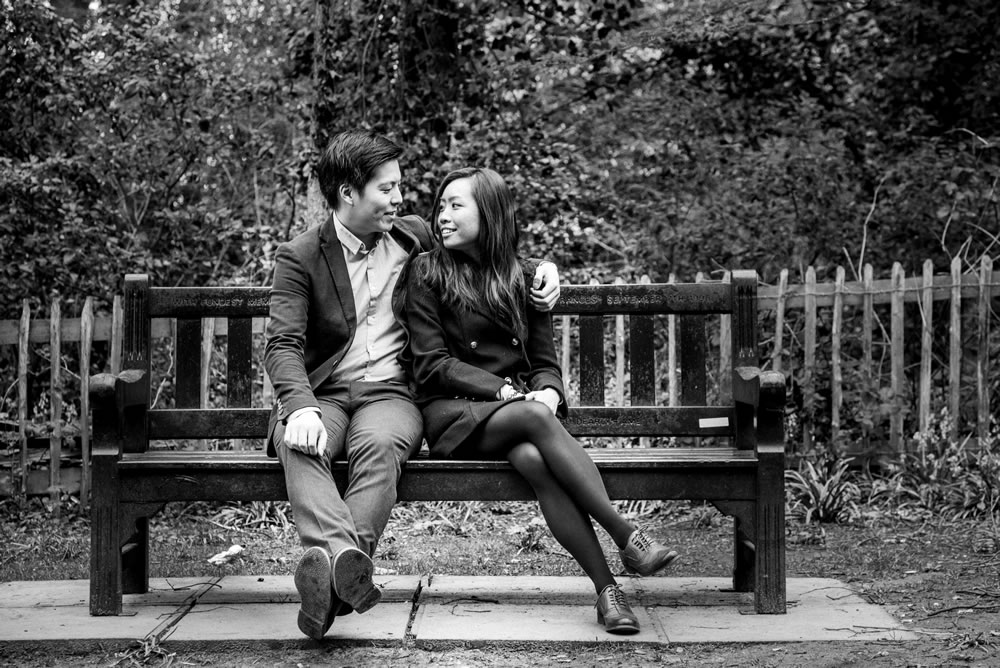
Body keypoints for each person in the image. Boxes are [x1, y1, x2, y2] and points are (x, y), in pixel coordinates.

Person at [263, 132, 561, 641]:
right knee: (301, 442)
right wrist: (300, 406)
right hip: (323, 394)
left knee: (380, 446)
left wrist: (543, 270)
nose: (400, 198)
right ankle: (345, 566)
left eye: (398, 186)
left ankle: (330, 581)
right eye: (387, 189)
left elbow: (485, 253)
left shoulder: (413, 236)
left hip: (390, 396)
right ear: (348, 193)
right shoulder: (301, 255)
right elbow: (282, 343)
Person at [401, 167, 678, 635]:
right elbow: (431, 364)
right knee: (531, 415)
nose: (442, 216)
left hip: (519, 415)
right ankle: (626, 533)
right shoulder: (426, 272)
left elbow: (544, 361)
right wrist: (504, 391)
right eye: (441, 206)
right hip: (454, 413)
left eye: (456, 205)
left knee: (532, 457)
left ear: (489, 213)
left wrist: (549, 391)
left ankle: (608, 592)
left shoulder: (525, 276)